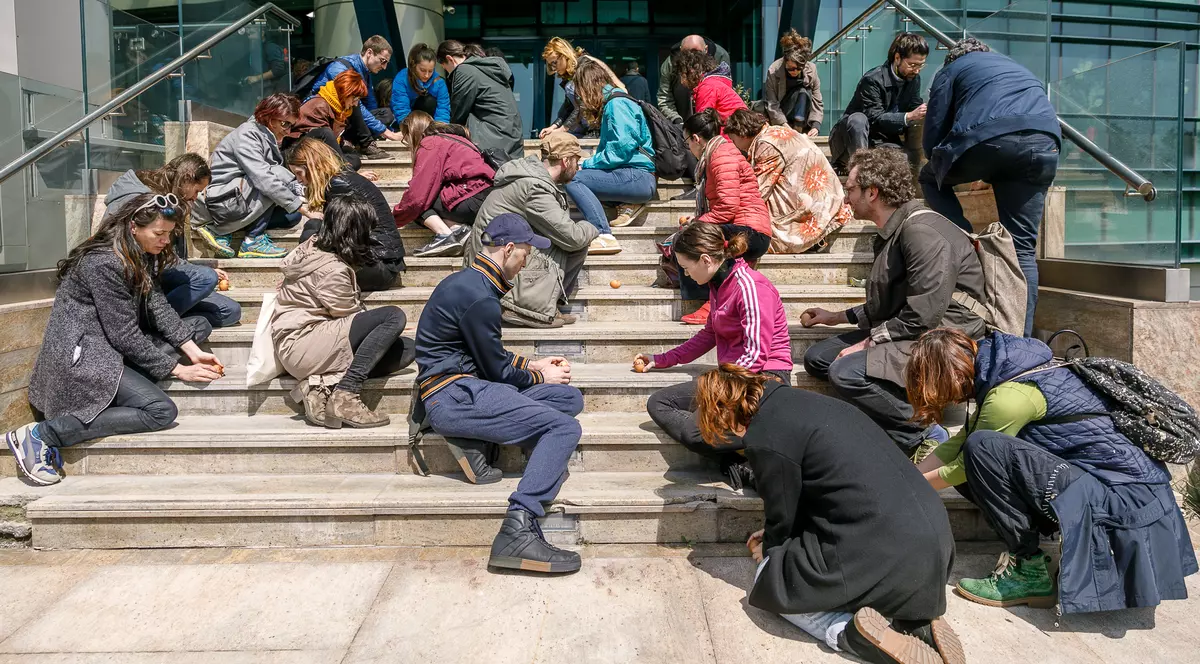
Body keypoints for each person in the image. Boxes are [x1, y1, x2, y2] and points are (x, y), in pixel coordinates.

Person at [907, 328, 1197, 614]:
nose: (945, 398)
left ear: (952, 374)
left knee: (982, 450)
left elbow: (962, 465)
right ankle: (1032, 548)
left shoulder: (1009, 397)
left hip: (1122, 501)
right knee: (977, 447)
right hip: (1113, 486)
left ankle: (1028, 572)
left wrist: (908, 492)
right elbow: (958, 441)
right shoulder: (1010, 371)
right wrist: (907, 476)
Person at [693, 365, 962, 664]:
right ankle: (918, 622)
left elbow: (782, 517)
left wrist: (769, 553)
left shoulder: (766, 433)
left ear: (722, 407)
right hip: (934, 548)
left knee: (770, 583)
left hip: (887, 551)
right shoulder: (813, 404)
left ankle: (851, 635)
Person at [6, 194, 222, 486]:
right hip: (84, 357)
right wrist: (179, 370)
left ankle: (126, 386)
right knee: (161, 411)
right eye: (159, 233)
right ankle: (41, 435)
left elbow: (157, 305)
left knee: (197, 326)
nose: (165, 241)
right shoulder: (103, 262)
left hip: (110, 349)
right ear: (134, 227)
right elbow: (124, 334)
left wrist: (193, 352)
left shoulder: (137, 254)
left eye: (169, 234)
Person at [413, 213, 584, 574]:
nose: (525, 264)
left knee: (569, 399)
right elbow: (497, 370)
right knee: (564, 429)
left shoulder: (469, 283)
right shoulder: (480, 297)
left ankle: (477, 440)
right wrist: (540, 378)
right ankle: (518, 527)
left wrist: (535, 365)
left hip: (466, 386)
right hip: (455, 395)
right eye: (525, 255)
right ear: (508, 249)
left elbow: (489, 356)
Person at [801, 147, 987, 455]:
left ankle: (927, 432)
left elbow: (924, 313)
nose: (846, 197)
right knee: (818, 358)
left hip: (947, 339)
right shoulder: (894, 230)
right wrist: (834, 317)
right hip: (916, 329)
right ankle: (894, 421)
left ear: (872, 192)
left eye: (850, 189)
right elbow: (891, 304)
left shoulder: (920, 230)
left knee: (845, 371)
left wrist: (866, 343)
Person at [920, 39, 1061, 337]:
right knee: (1023, 250)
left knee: (929, 177)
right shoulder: (1016, 68)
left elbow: (932, 134)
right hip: (1044, 145)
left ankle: (968, 240)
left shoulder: (952, 69)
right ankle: (1021, 341)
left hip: (989, 141)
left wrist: (944, 162)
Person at [640, 222, 792, 490]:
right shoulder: (718, 283)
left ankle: (760, 443)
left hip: (762, 379)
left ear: (707, 260)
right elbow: (709, 334)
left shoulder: (751, 287)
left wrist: (715, 390)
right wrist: (663, 358)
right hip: (732, 377)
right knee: (659, 403)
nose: (684, 275)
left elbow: (756, 355)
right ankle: (736, 460)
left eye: (686, 267)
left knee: (695, 431)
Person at [271, 196, 415, 429]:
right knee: (393, 316)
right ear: (354, 231)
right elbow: (347, 315)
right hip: (302, 342)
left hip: (313, 340)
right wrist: (381, 325)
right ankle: (345, 395)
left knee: (406, 349)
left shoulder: (316, 246)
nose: (371, 237)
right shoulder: (331, 270)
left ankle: (320, 386)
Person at [468, 132, 597, 329]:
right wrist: (593, 226)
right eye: (576, 160)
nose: (578, 166)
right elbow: (573, 237)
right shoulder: (535, 187)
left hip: (493, 257)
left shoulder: (533, 179)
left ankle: (547, 304)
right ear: (565, 161)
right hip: (495, 266)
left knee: (570, 243)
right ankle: (517, 306)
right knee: (575, 242)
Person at [101, 154, 242, 328]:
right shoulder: (143, 201)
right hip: (140, 276)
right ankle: (154, 324)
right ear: (187, 179)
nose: (196, 197)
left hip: (159, 275)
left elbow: (166, 253)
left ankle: (165, 320)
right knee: (205, 278)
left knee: (230, 311)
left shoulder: (173, 199)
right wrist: (195, 271)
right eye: (197, 190)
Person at [191, 93, 318, 260]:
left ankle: (229, 229)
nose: (288, 131)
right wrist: (304, 207)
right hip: (221, 204)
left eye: (291, 126)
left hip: (238, 198)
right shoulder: (247, 135)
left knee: (291, 217)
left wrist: (295, 198)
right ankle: (251, 240)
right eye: (285, 124)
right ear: (269, 116)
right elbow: (264, 178)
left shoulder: (263, 135)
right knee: (275, 178)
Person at [678, 109, 772, 326]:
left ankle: (710, 303)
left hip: (750, 231)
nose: (689, 149)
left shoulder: (721, 156)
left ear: (696, 138)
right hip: (742, 225)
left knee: (691, 237)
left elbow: (728, 207)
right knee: (688, 236)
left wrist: (698, 222)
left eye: (687, 142)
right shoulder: (719, 153)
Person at [563, 59, 658, 255]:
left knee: (573, 179)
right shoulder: (617, 102)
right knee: (585, 179)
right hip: (634, 176)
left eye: (579, 92)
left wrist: (586, 163)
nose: (579, 98)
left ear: (588, 87)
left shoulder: (617, 104)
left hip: (636, 176)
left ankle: (603, 235)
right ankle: (627, 203)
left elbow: (620, 150)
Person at [285, 138, 406, 291]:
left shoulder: (339, 185)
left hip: (378, 266)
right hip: (380, 263)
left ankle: (299, 276)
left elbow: (341, 239)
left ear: (312, 167)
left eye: (299, 173)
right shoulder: (341, 179)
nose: (299, 180)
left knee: (313, 230)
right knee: (314, 226)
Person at [725, 109, 852, 254]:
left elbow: (758, 191)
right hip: (825, 202)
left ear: (741, 133)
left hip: (814, 212)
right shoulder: (776, 132)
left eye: (733, 139)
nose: (735, 145)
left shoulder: (767, 144)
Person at [390, 111, 495, 258]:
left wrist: (392, 219)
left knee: (417, 203)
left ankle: (445, 235)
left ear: (412, 132)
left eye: (405, 137)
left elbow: (417, 196)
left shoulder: (430, 143)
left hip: (471, 197)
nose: (406, 142)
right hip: (483, 196)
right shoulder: (450, 138)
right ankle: (458, 230)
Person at [828, 33, 928, 175]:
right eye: (912, 65)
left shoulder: (913, 79)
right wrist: (909, 116)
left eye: (921, 65)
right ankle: (860, 171)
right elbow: (875, 118)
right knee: (858, 119)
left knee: (904, 159)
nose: (917, 70)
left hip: (881, 139)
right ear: (897, 58)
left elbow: (914, 105)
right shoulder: (872, 80)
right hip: (851, 139)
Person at [309, 35, 404, 159]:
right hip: (327, 119)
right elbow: (357, 105)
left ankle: (354, 141)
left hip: (345, 117)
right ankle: (367, 144)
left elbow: (371, 106)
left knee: (385, 113)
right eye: (383, 61)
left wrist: (386, 129)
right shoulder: (339, 68)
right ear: (369, 52)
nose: (384, 67)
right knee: (355, 103)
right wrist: (388, 134)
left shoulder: (365, 72)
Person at [436, 40, 524, 160]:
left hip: (494, 141)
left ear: (450, 59)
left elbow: (459, 114)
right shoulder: (487, 68)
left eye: (445, 68)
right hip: (511, 140)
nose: (448, 74)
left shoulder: (464, 70)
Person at [539, 37, 625, 139]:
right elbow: (569, 106)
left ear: (564, 55)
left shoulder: (585, 68)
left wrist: (562, 129)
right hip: (591, 128)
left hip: (605, 127)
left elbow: (584, 104)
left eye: (554, 63)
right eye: (550, 65)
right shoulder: (570, 75)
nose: (553, 68)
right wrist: (554, 126)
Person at [287, 69, 369, 170]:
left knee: (354, 159)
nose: (355, 104)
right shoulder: (319, 106)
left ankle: (342, 168)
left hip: (316, 151)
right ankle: (344, 171)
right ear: (345, 93)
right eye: (355, 99)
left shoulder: (336, 107)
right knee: (325, 133)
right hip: (299, 153)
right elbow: (321, 142)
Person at [657, 34, 730, 125]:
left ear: (706, 50)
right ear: (681, 50)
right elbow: (664, 98)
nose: (692, 58)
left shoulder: (721, 56)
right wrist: (676, 120)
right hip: (683, 120)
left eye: (697, 53)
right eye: (687, 54)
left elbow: (725, 95)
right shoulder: (669, 64)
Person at [763, 30, 823, 136]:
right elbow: (772, 103)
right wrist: (785, 126)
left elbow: (817, 100)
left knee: (804, 91)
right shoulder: (774, 70)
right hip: (783, 113)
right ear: (785, 61)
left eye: (798, 68)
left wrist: (816, 126)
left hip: (803, 114)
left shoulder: (812, 69)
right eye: (790, 69)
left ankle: (799, 127)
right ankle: (794, 129)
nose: (794, 71)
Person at [676, 49, 747, 123]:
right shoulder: (714, 83)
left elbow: (703, 122)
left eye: (683, 75)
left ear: (691, 71)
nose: (681, 82)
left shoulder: (707, 87)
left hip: (732, 130)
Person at [390, 43, 450, 125]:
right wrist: (409, 128)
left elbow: (443, 108)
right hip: (411, 119)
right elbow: (401, 108)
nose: (427, 75)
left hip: (431, 121)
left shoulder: (439, 82)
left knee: (430, 102)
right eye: (422, 70)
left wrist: (440, 127)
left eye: (430, 71)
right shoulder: (402, 79)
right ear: (414, 65)